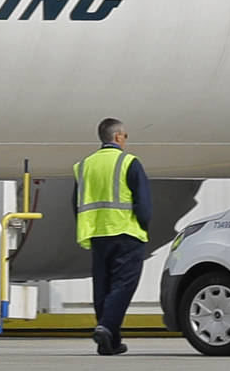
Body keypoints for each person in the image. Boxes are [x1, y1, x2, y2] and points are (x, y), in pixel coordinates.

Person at [73, 118, 151, 356]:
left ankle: (110, 341)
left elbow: (74, 203)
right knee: (124, 285)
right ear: (117, 137)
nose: (126, 140)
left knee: (103, 287)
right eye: (125, 135)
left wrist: (86, 226)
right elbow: (143, 202)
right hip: (126, 232)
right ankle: (106, 326)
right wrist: (143, 225)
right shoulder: (129, 162)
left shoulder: (84, 165)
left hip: (97, 234)